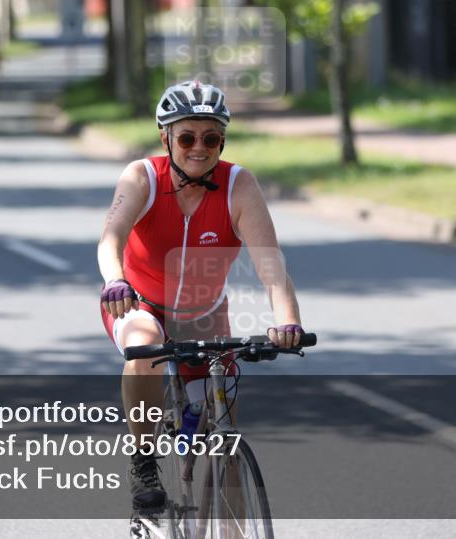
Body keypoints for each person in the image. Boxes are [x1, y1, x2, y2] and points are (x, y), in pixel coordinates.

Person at [97, 81, 304, 510]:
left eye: (211, 139)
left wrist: (289, 322)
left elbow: (270, 264)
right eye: (187, 137)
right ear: (165, 137)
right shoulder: (142, 177)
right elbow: (110, 237)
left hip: (205, 313)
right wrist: (116, 280)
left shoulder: (239, 185)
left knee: (224, 438)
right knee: (142, 349)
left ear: (222, 141)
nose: (199, 148)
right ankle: (144, 461)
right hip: (139, 303)